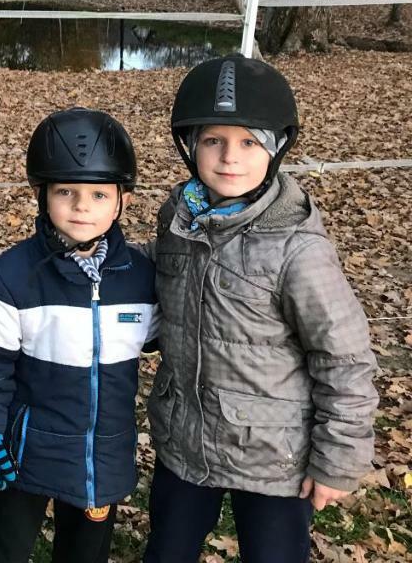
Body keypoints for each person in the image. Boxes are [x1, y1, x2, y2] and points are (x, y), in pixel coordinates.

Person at [143, 54, 379, 563]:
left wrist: (337, 458)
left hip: (275, 458)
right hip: (187, 441)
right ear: (190, 146)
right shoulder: (179, 217)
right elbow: (161, 276)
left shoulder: (298, 249)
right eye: (214, 140)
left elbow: (344, 358)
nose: (230, 157)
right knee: (166, 552)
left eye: (249, 142)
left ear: (275, 148)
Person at [0, 108, 157, 563]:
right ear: (41, 195)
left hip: (100, 456)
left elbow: (170, 334)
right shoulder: (8, 280)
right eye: (65, 191)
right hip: (25, 453)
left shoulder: (142, 279)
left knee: (85, 555)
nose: (82, 206)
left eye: (98, 194)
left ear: (122, 200)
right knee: (3, 551)